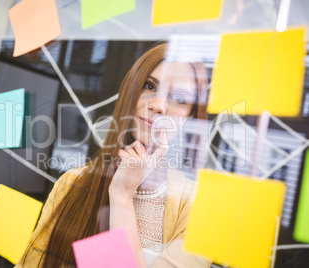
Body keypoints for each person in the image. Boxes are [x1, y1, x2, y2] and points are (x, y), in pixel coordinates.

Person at [16, 43, 211, 267]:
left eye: (178, 98)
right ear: (131, 91)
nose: (158, 105)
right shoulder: (73, 182)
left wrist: (121, 197)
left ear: (191, 116)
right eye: (149, 86)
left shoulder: (199, 211)